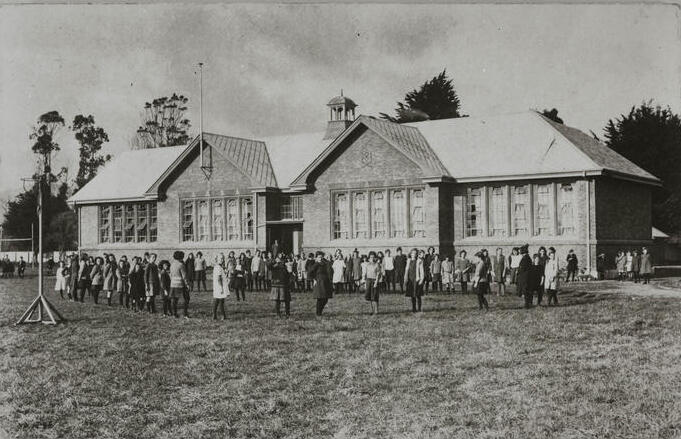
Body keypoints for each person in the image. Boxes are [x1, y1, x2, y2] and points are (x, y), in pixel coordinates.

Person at [308, 251, 333, 316]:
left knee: (325, 298)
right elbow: (310, 272)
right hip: (319, 282)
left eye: (321, 257)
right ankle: (318, 313)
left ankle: (320, 311)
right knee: (320, 298)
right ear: (316, 258)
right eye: (319, 257)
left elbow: (330, 270)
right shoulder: (315, 264)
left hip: (325, 282)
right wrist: (314, 279)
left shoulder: (325, 264)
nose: (320, 258)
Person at [270, 253, 291, 318]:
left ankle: (287, 313)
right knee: (277, 300)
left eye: (281, 258)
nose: (280, 259)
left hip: (284, 283)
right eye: (278, 258)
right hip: (276, 284)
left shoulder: (285, 265)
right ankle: (278, 313)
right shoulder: (273, 265)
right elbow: (269, 266)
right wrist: (276, 263)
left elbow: (289, 273)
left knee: (286, 299)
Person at [170, 251, 190, 318]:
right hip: (180, 285)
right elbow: (184, 276)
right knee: (186, 299)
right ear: (181, 257)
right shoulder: (181, 265)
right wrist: (187, 284)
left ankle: (174, 314)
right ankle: (185, 314)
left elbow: (171, 274)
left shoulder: (172, 264)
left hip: (173, 284)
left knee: (174, 300)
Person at [212, 254, 229, 320]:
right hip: (219, 286)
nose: (222, 260)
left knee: (217, 301)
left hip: (217, 286)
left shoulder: (218, 267)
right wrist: (221, 288)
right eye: (221, 258)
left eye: (223, 258)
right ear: (217, 259)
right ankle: (222, 316)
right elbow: (219, 278)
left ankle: (215, 315)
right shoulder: (218, 267)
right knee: (220, 301)